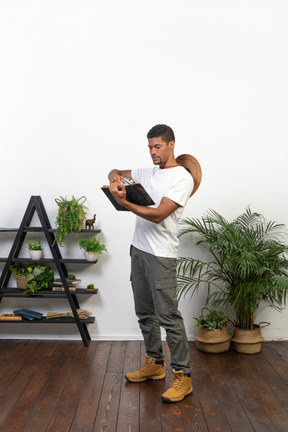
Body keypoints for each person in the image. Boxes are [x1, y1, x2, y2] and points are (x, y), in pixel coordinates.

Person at [108, 124, 193, 403]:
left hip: (161, 255)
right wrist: (114, 180)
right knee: (145, 312)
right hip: (139, 250)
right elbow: (116, 171)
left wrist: (124, 202)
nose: (153, 152)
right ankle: (155, 364)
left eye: (157, 146)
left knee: (169, 316)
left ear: (171, 145)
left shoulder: (182, 178)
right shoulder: (148, 172)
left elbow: (158, 215)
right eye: (149, 147)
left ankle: (183, 376)